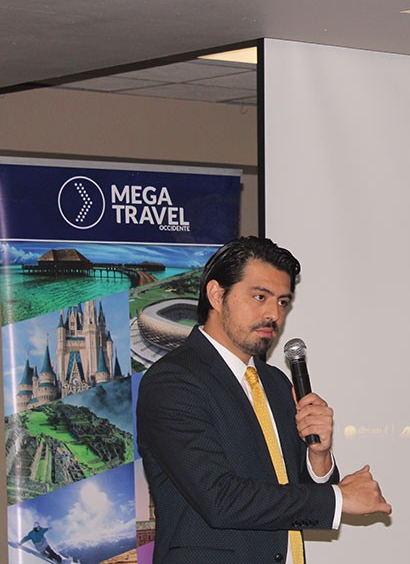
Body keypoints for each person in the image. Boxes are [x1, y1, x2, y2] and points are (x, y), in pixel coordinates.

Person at [137, 236, 391, 564]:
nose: (274, 314)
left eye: (283, 302)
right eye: (260, 297)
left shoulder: (275, 382)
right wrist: (338, 499)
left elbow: (291, 491)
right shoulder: (173, 381)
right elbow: (220, 499)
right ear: (217, 295)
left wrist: (317, 456)